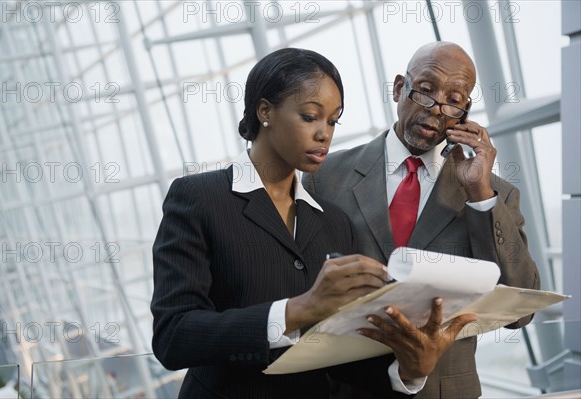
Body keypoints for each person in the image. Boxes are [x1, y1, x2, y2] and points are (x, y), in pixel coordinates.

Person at [151, 47, 475, 399]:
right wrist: (296, 311)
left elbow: (342, 355)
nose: (324, 134)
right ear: (265, 112)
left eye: (333, 121)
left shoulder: (333, 222)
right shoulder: (199, 197)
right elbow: (173, 336)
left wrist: (410, 370)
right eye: (310, 117)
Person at [304, 41, 541, 398]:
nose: (436, 110)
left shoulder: (494, 194)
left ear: (465, 112)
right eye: (426, 91)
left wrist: (479, 194)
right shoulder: (327, 177)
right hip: (345, 388)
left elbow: (519, 313)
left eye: (455, 100)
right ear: (400, 88)